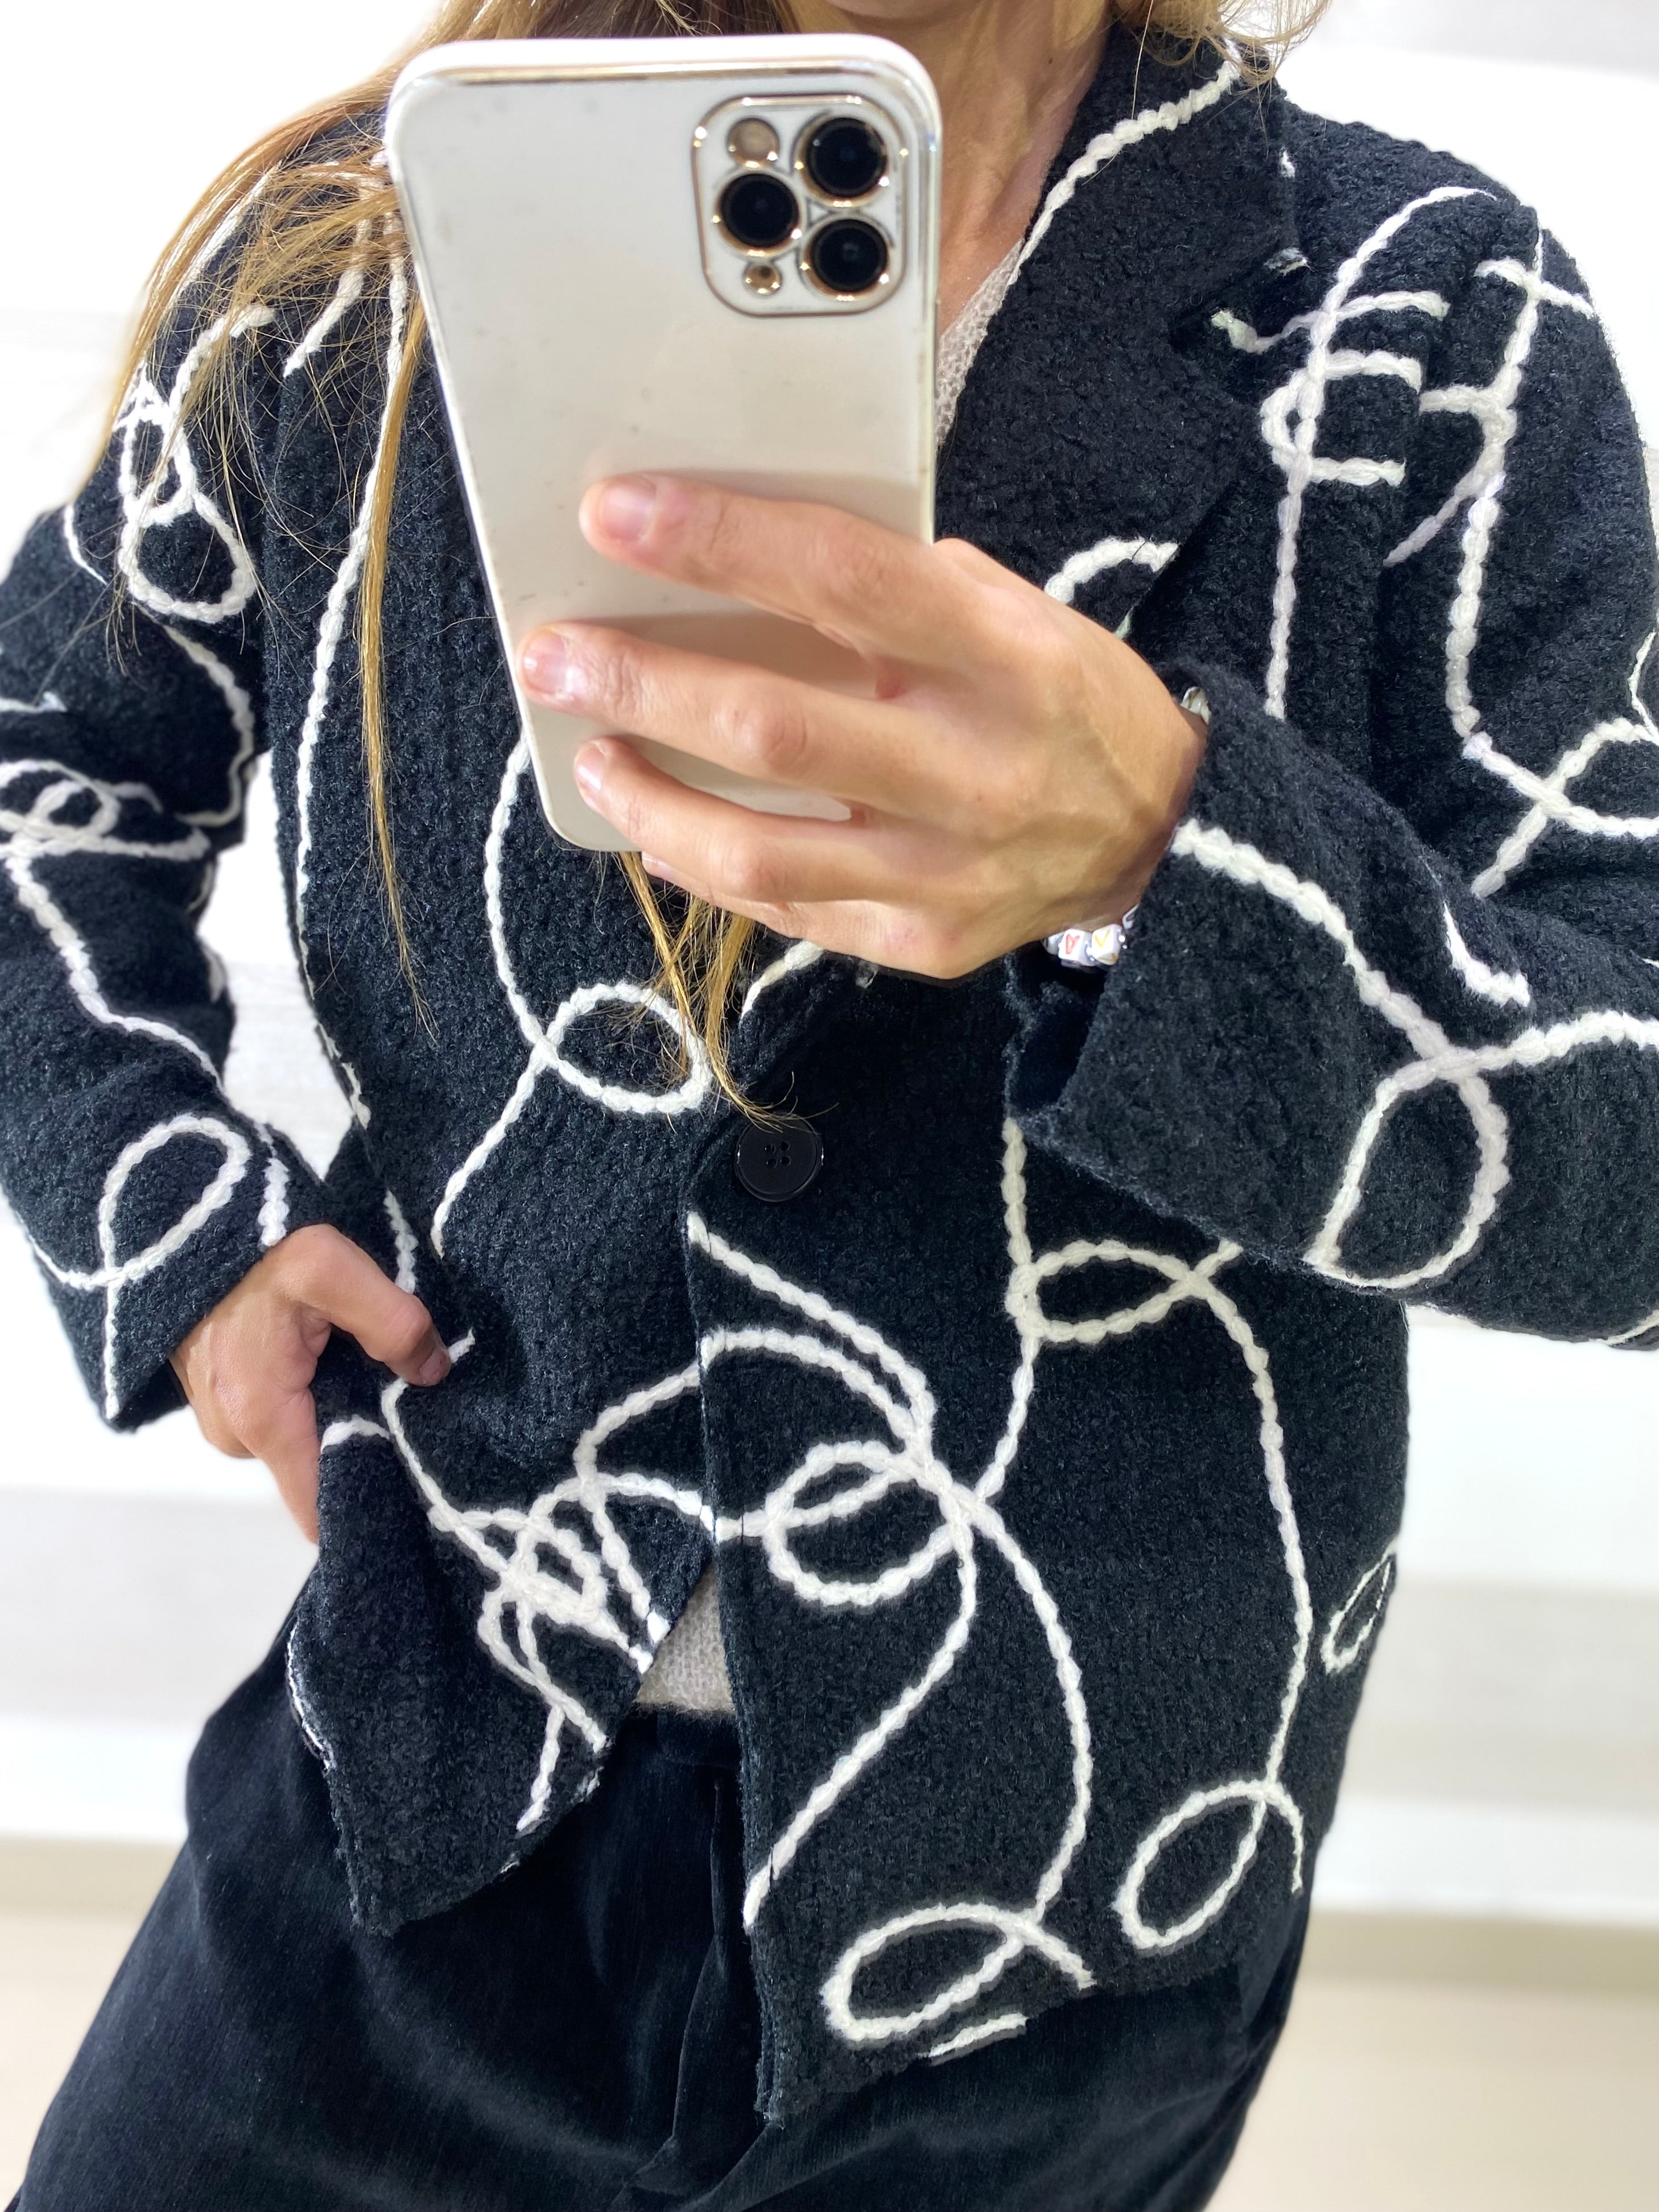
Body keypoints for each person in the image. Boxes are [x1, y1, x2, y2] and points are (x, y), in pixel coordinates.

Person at [3, 0, 1657, 2202]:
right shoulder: (359, 266)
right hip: (433, 1740)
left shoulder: (1425, 315)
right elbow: (39, 765)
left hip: (1073, 1911)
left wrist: (1169, 857)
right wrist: (175, 1226)